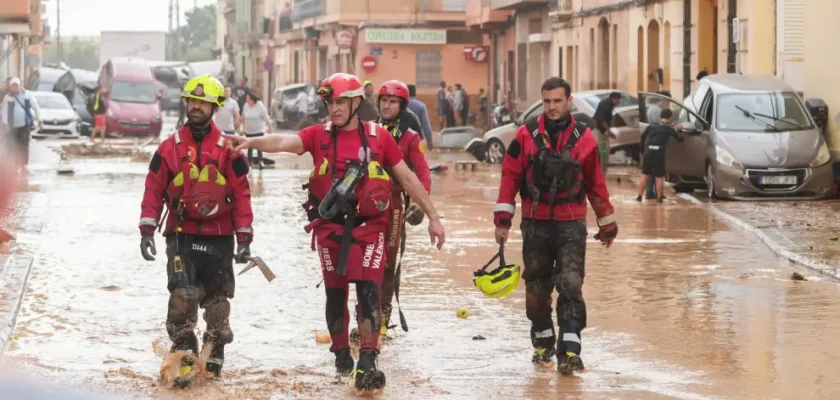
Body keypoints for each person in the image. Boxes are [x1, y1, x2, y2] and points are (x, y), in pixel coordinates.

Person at [223, 73, 445, 391]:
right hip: (330, 231)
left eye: (341, 102)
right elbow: (283, 143)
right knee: (336, 296)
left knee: (369, 293)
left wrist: (433, 218)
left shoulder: (379, 137)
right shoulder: (318, 135)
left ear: (356, 103)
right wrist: (251, 142)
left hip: (370, 230)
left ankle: (368, 362)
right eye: (329, 102)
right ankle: (342, 357)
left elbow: (409, 178)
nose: (334, 108)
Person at [493, 77, 617, 375]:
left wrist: (607, 221)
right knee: (536, 288)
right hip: (535, 225)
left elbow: (596, 183)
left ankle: (570, 351)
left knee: (571, 285)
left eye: (557, 101)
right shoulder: (525, 136)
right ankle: (543, 342)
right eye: (546, 101)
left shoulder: (585, 138)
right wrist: (503, 220)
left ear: (569, 102)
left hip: (571, 225)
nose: (551, 107)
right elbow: (510, 177)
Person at [138, 74, 254, 383]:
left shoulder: (230, 149)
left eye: (203, 102)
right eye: (192, 101)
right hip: (181, 235)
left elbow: (242, 193)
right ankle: (186, 353)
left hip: (219, 239)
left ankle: (214, 351)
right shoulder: (168, 148)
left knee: (217, 303)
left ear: (215, 106)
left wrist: (245, 238)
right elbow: (153, 189)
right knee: (182, 296)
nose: (196, 107)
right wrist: (146, 229)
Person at [374, 80, 431, 339]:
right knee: (362, 265)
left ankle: (382, 318)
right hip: (364, 206)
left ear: (402, 106)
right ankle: (366, 315)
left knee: (387, 264)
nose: (387, 106)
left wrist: (420, 203)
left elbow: (422, 172)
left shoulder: (410, 137)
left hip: (394, 205)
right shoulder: (367, 131)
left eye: (393, 101)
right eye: (383, 100)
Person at [636, 108, 684, 203]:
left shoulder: (651, 126)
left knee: (645, 175)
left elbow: (642, 137)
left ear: (659, 117)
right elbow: (680, 139)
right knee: (659, 177)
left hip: (648, 153)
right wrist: (680, 130)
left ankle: (639, 197)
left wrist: (642, 151)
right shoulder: (669, 129)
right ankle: (659, 199)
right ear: (670, 119)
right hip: (659, 154)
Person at [1, 77, 42, 170]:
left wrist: (40, 120)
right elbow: (4, 111)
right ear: (10, 87)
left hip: (25, 125)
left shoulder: (27, 95)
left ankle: (23, 164)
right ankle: (15, 163)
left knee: (24, 144)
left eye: (16, 85)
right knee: (14, 145)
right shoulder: (8, 97)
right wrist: (5, 124)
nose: (15, 87)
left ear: (20, 85)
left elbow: (35, 107)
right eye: (13, 85)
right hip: (12, 126)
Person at [643, 90, 672, 199]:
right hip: (654, 147)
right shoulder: (656, 111)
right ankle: (651, 193)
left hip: (651, 146)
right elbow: (660, 127)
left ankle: (653, 193)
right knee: (654, 172)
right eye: (668, 102)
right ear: (663, 100)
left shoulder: (655, 110)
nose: (667, 104)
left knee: (651, 171)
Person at [240, 92, 272, 170]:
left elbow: (266, 117)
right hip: (248, 130)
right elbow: (243, 117)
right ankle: (249, 162)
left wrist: (270, 127)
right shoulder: (246, 106)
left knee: (259, 146)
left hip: (258, 130)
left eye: (248, 98)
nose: (246, 100)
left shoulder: (260, 106)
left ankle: (260, 161)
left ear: (252, 99)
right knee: (250, 146)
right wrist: (241, 129)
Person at [592, 91, 621, 174]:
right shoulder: (606, 104)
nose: (619, 102)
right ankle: (597, 171)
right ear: (615, 98)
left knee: (606, 149)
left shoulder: (609, 104)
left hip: (602, 131)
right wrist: (608, 131)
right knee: (599, 151)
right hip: (598, 130)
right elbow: (602, 119)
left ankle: (602, 170)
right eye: (618, 100)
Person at [406, 84, 434, 150]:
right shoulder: (420, 106)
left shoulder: (399, 105)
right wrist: (430, 143)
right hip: (416, 139)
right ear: (415, 93)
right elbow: (426, 125)